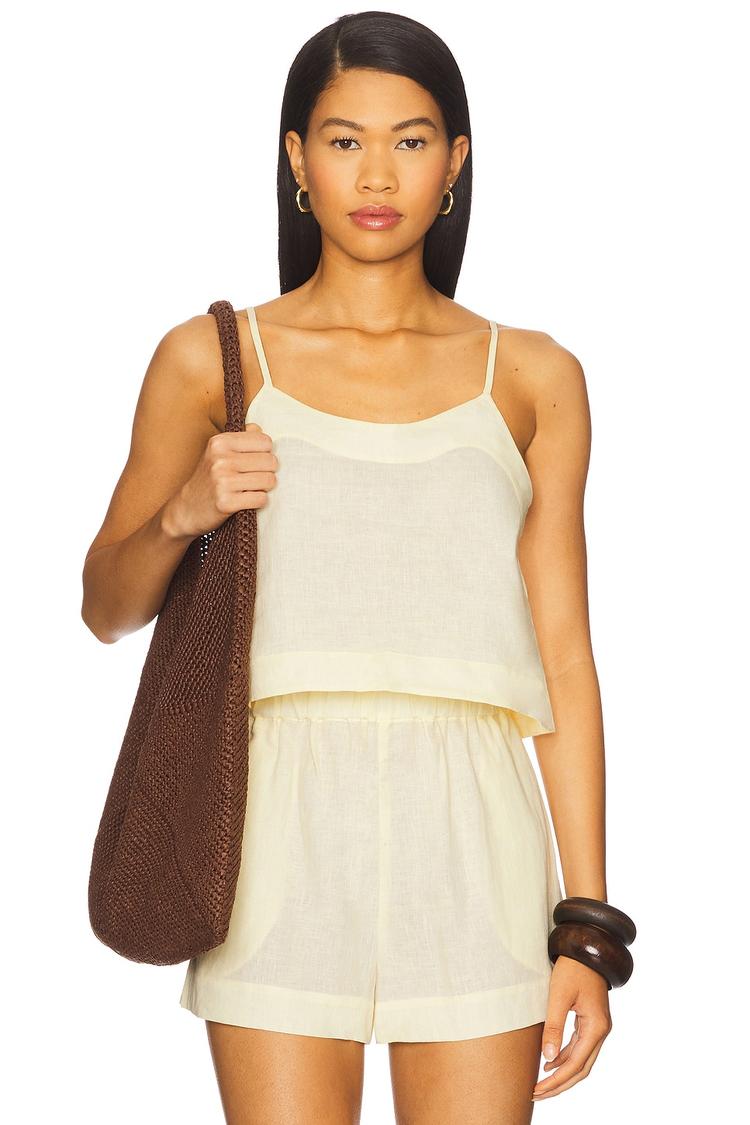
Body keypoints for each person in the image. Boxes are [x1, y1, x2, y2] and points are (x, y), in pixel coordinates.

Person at [81, 11, 616, 1124]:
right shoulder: (210, 360)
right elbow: (105, 606)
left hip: (474, 830)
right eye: (343, 140)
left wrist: (588, 928)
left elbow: (564, 656)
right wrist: (183, 512)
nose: (377, 175)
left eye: (411, 141)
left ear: (455, 161)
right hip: (274, 826)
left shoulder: (534, 377)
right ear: (297, 158)